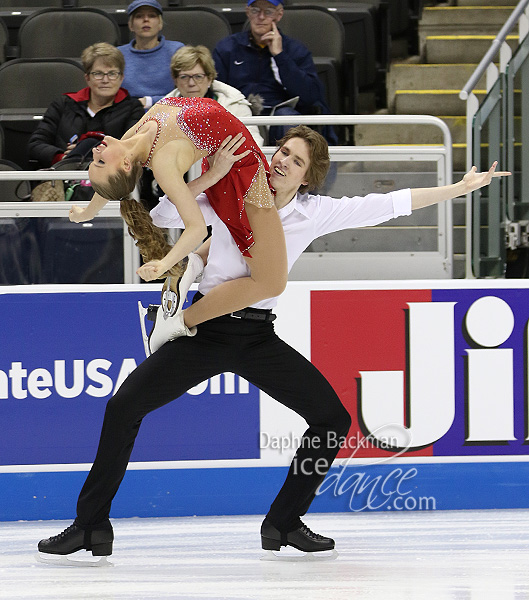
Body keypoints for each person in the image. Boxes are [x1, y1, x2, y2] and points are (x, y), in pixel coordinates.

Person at [37, 126, 509, 559]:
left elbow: (389, 204)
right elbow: (162, 212)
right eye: (282, 151)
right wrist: (214, 174)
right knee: (124, 406)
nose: (283, 161)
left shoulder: (315, 212)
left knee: (331, 419)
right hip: (205, 329)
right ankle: (90, 525)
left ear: (308, 179)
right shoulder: (233, 187)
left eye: (296, 161)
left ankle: (283, 522)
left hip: (256, 334)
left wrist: (458, 189)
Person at [68, 95, 288, 339]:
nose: (96, 151)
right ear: (126, 165)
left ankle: (192, 269)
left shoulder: (132, 139)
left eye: (95, 161)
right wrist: (165, 263)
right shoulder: (162, 163)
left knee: (251, 257)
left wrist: (87, 212)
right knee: (271, 283)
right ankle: (178, 321)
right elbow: (196, 228)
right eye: (100, 161)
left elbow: (110, 185)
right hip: (241, 178)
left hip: (226, 162)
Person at [213, 0, 337, 145]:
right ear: (247, 12)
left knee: (288, 119)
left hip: (279, 115)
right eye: (255, 11)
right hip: (239, 113)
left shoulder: (295, 50)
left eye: (268, 11)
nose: (261, 17)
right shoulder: (227, 48)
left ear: (279, 15)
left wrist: (280, 56)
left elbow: (310, 96)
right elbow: (216, 89)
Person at [28, 43, 145, 169]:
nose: (105, 80)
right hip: (64, 177)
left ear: (121, 78)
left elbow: (134, 147)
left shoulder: (133, 108)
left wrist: (88, 151)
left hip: (112, 179)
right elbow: (36, 144)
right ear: (87, 78)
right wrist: (64, 159)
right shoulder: (63, 104)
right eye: (98, 74)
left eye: (112, 74)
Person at [164, 44, 264, 147]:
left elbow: (254, 143)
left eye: (198, 77)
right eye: (184, 77)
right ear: (175, 80)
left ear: (210, 78)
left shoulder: (235, 104)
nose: (191, 83)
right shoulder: (163, 110)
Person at [118, 0, 184, 110]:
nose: (146, 20)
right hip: (128, 115)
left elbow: (188, 93)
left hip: (169, 113)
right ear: (130, 25)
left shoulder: (177, 51)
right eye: (139, 16)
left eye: (152, 16)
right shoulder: (118, 55)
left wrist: (149, 101)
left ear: (160, 24)